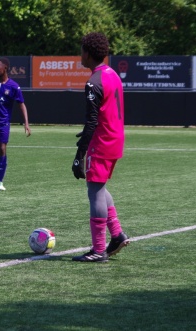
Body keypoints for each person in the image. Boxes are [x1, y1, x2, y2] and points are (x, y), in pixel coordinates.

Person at [71, 32, 130, 262]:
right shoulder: (112, 74)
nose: (80, 55)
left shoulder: (92, 82)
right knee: (100, 188)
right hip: (115, 139)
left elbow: (92, 121)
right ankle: (116, 235)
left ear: (87, 53)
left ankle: (98, 250)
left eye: (81, 51)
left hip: (102, 142)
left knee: (94, 190)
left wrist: (79, 154)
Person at [0, 57, 31, 191]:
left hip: (3, 122)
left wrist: (26, 123)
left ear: (5, 68)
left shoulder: (13, 86)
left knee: (2, 149)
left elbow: (22, 105)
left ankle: (0, 182)